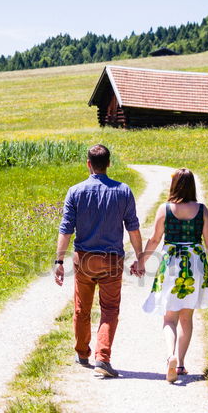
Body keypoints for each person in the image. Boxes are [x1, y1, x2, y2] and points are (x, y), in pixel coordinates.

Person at [54, 144, 144, 377]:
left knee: (81, 308)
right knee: (110, 309)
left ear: (88, 164)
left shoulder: (75, 191)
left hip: (83, 259)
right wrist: (140, 258)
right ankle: (102, 358)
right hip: (112, 260)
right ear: (109, 164)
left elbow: (66, 229)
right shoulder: (123, 191)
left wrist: (59, 261)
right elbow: (133, 228)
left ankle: (82, 353)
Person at [138, 168, 208, 383]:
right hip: (195, 263)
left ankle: (170, 356)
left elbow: (153, 240)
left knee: (169, 318)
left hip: (172, 262)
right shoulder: (202, 210)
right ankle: (180, 364)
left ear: (174, 185)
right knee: (186, 317)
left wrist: (141, 261)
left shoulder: (165, 209)